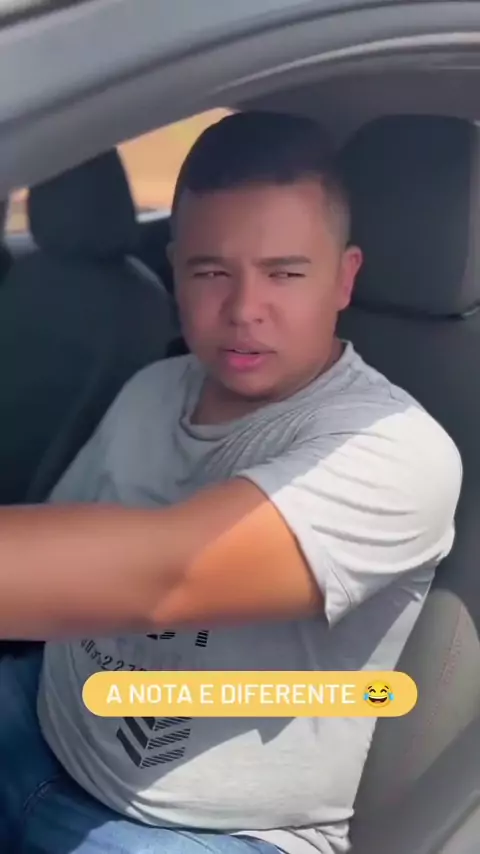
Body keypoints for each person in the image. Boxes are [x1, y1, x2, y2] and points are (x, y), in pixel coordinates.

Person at [0, 111, 462, 854]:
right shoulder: (153, 389)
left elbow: (167, 577)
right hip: (39, 719)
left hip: (210, 833)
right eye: (211, 272)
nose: (244, 310)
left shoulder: (398, 450)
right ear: (175, 269)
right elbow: (53, 571)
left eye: (285, 273)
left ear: (345, 278)